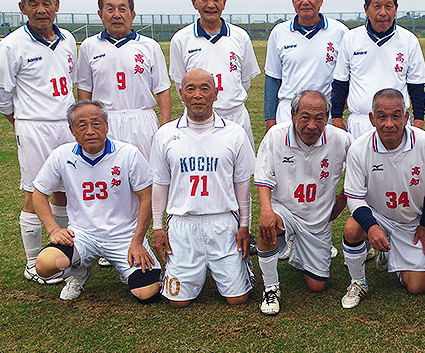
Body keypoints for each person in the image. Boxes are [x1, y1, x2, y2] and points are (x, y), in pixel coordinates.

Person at [32, 100, 161, 302]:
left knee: (147, 293)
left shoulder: (128, 153)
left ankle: (125, 268)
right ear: (72, 130)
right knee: (44, 265)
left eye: (96, 123)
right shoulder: (61, 155)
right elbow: (38, 193)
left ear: (107, 126)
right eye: (82, 125)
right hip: (83, 235)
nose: (90, 131)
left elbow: (146, 198)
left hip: (124, 236)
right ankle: (78, 272)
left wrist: (137, 241)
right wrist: (54, 230)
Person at [150, 69, 255, 308]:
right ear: (181, 94)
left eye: (205, 88)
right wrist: (157, 228)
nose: (198, 95)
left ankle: (234, 268)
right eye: (191, 89)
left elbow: (242, 183)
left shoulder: (234, 132)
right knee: (179, 303)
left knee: (237, 299)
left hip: (222, 222)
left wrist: (244, 225)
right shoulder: (165, 134)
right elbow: (160, 183)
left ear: (216, 94)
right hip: (182, 223)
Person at [340, 89, 425, 308]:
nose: (389, 123)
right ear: (372, 119)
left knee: (418, 288)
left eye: (396, 116)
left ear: (406, 117)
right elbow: (354, 198)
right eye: (382, 117)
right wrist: (371, 227)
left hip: (410, 222)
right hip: (377, 215)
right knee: (352, 228)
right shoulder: (359, 148)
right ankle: (358, 281)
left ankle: (391, 258)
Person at [0, 0, 76, 284]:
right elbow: (3, 94)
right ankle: (33, 263)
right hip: (34, 127)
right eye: (33, 3)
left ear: (56, 6)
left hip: (67, 126)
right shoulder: (11, 45)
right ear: (22, 8)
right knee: (35, 192)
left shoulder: (68, 38)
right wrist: (20, 124)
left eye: (47, 3)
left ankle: (62, 252)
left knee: (64, 191)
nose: (41, 9)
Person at [254, 90, 353, 315]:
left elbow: (361, 169)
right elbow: (263, 178)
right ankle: (271, 288)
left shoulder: (341, 138)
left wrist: (344, 197)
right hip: (285, 209)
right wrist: (267, 210)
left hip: (317, 219)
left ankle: (300, 251)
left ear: (327, 118)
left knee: (317, 286)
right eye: (305, 117)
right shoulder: (276, 136)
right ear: (292, 115)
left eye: (319, 118)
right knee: (268, 225)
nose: (311, 125)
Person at [77, 0, 171, 160]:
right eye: (110, 9)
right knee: (107, 176)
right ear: (100, 14)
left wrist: (164, 127)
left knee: (146, 178)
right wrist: (87, 124)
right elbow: (84, 91)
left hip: (142, 121)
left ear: (132, 15)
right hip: (105, 122)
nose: (117, 15)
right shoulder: (88, 46)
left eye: (122, 9)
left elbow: (162, 89)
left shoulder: (150, 46)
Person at [169, 0, 260, 145]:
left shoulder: (240, 36)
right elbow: (181, 83)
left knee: (241, 170)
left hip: (236, 116)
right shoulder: (181, 39)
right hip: (199, 120)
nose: (211, 5)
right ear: (194, 1)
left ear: (224, 2)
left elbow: (244, 81)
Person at [331, 0, 425, 139]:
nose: (383, 12)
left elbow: (416, 88)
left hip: (396, 123)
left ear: (396, 9)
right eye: (377, 6)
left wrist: (418, 124)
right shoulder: (351, 38)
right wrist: (336, 119)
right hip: (360, 124)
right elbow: (340, 83)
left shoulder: (409, 40)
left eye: (388, 6)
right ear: (366, 9)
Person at [264, 0, 348, 131]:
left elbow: (347, 76)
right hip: (288, 113)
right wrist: (270, 119)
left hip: (324, 114)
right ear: (293, 1)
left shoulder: (340, 32)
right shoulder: (279, 33)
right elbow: (272, 79)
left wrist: (338, 111)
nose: (305, 2)